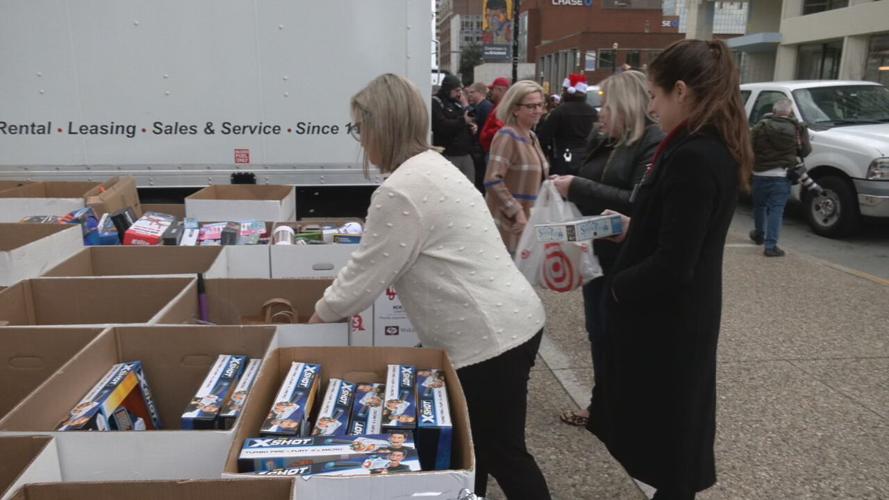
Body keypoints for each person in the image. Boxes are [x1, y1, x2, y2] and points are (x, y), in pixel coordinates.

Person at [309, 73, 550, 500]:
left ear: (381, 127)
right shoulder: (432, 165)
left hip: (488, 338)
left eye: (359, 128)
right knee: (474, 450)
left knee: (499, 450)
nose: (359, 140)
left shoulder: (401, 191)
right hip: (509, 324)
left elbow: (358, 283)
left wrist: (308, 328)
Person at [588, 39, 753, 500]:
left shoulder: (696, 155)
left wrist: (617, 287)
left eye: (656, 96)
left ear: (681, 91)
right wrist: (633, 227)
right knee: (672, 432)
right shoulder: (699, 146)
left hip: (672, 319)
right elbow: (677, 231)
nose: (652, 108)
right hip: (680, 313)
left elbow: (675, 260)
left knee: (673, 435)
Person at [549, 69, 664, 427]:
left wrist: (577, 186)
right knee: (598, 333)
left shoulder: (652, 142)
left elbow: (637, 200)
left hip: (625, 259)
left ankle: (624, 409)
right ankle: (601, 406)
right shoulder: (605, 139)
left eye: (607, 108)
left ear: (626, 107)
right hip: (595, 254)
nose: (600, 115)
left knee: (620, 337)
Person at [483, 80, 550, 254]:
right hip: (509, 227)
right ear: (515, 109)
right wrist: (516, 211)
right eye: (531, 106)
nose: (538, 111)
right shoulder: (507, 135)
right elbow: (492, 179)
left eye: (540, 105)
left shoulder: (532, 136)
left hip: (527, 224)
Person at [749, 98, 812, 257]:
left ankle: (759, 235)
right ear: (789, 112)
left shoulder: (760, 126)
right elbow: (805, 151)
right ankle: (771, 246)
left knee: (759, 206)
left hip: (760, 173)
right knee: (776, 210)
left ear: (774, 111)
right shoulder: (797, 128)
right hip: (782, 175)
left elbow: (749, 146)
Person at [536, 73, 599, 175]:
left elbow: (544, 138)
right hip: (587, 159)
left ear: (567, 91)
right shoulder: (594, 113)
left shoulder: (558, 112)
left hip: (562, 160)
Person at [431, 74, 477, 182]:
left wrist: (471, 126)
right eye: (456, 90)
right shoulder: (436, 102)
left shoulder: (457, 103)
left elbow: (465, 118)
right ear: (448, 89)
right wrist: (463, 121)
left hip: (465, 152)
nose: (459, 93)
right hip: (449, 153)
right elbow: (441, 125)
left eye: (460, 90)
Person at [467, 82, 495, 191]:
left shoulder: (485, 107)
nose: (469, 95)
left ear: (480, 92)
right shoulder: (480, 106)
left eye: (472, 92)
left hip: (482, 149)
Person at [479, 77, 510, 152]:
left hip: (496, 149)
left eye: (492, 89)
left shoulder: (504, 108)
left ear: (500, 90)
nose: (490, 92)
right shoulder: (497, 106)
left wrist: (485, 135)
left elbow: (501, 128)